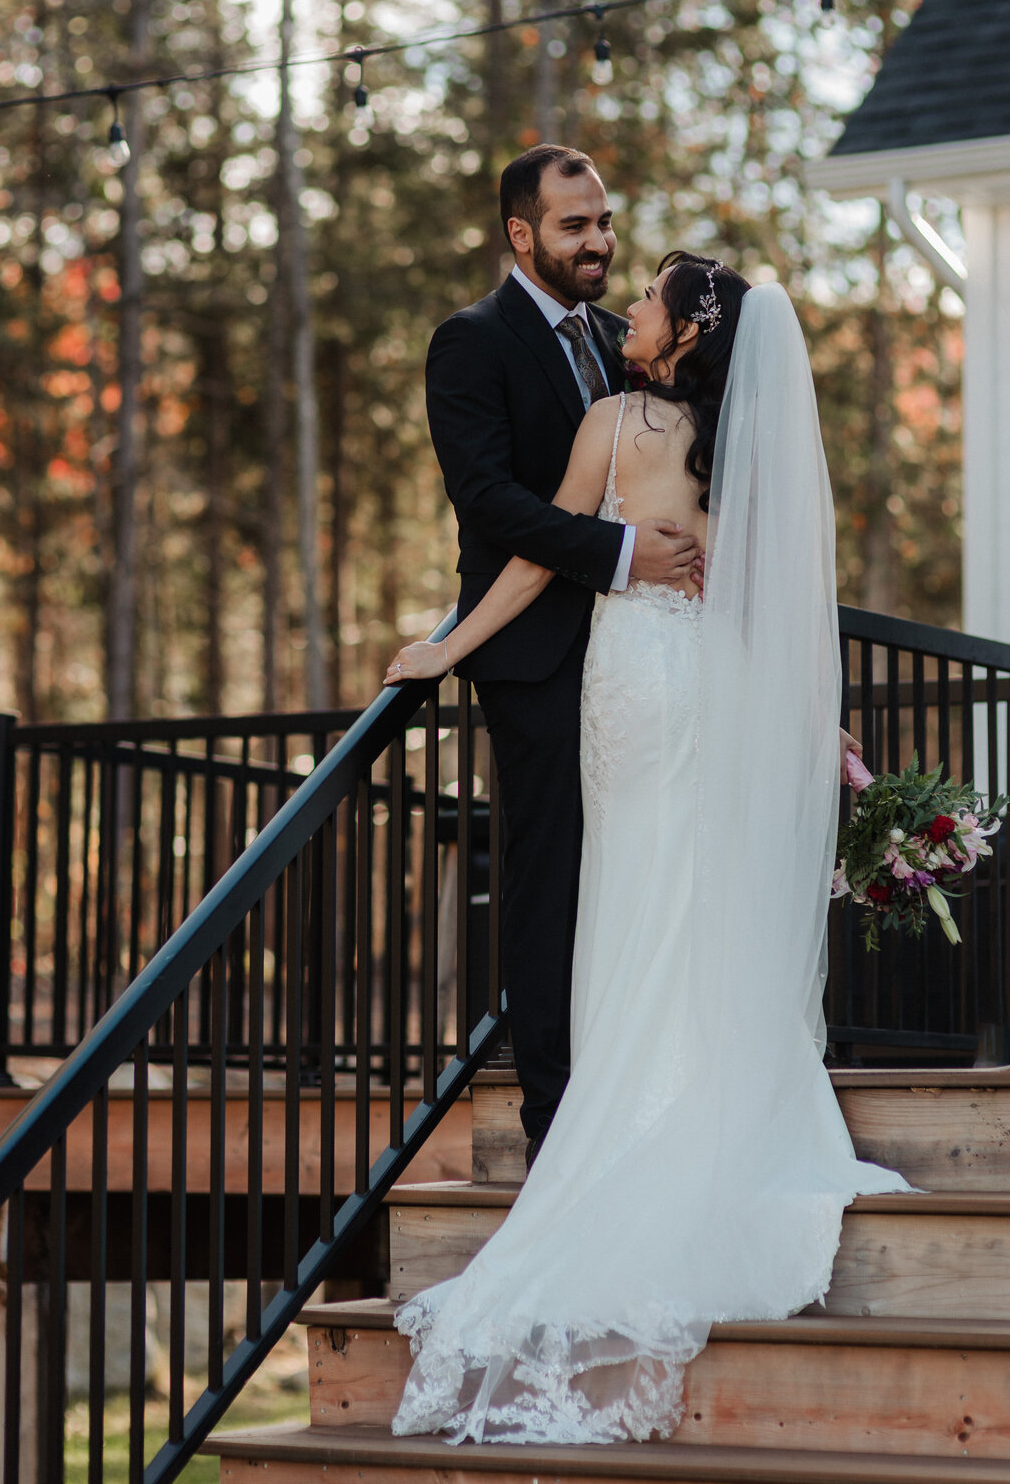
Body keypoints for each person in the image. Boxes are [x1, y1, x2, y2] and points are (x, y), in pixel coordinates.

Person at [383, 255, 913, 1445]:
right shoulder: (736, 449)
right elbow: (758, 608)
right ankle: (699, 1109)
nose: (635, 310)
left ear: (683, 336)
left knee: (632, 898)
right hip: (706, 689)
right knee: (689, 897)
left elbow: (534, 554)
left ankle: (628, 1127)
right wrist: (809, 718)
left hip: (630, 689)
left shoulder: (619, 420)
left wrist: (443, 647)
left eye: (656, 301)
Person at [423, 146, 702, 1167]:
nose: (600, 241)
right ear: (521, 234)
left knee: (645, 871)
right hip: (537, 657)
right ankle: (556, 1124)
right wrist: (627, 556)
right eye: (576, 226)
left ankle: (654, 1086)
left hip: (642, 663)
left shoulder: (621, 342)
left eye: (605, 222)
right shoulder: (471, 343)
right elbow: (489, 500)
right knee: (549, 885)